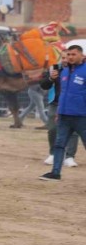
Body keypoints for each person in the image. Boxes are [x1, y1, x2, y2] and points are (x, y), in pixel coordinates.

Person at [40, 45, 86, 181]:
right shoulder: (63, 71)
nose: (70, 57)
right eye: (68, 55)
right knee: (59, 144)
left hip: (81, 116)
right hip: (64, 115)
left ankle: (68, 159)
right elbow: (62, 93)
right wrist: (59, 112)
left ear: (81, 56)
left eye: (73, 54)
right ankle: (55, 173)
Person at [39, 55, 79, 166]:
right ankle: (53, 154)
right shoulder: (54, 69)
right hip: (55, 103)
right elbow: (43, 85)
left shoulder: (79, 69)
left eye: (69, 56)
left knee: (73, 131)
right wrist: (51, 78)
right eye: (63, 57)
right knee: (52, 129)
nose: (66, 59)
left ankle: (69, 157)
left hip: (73, 104)